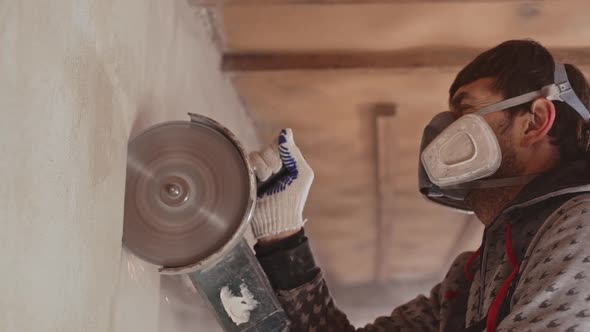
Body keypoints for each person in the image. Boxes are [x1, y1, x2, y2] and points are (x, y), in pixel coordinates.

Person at [248, 40, 590, 332]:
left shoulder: (582, 225)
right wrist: (284, 237)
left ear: (535, 121)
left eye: (466, 112)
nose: (447, 134)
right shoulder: (470, 278)